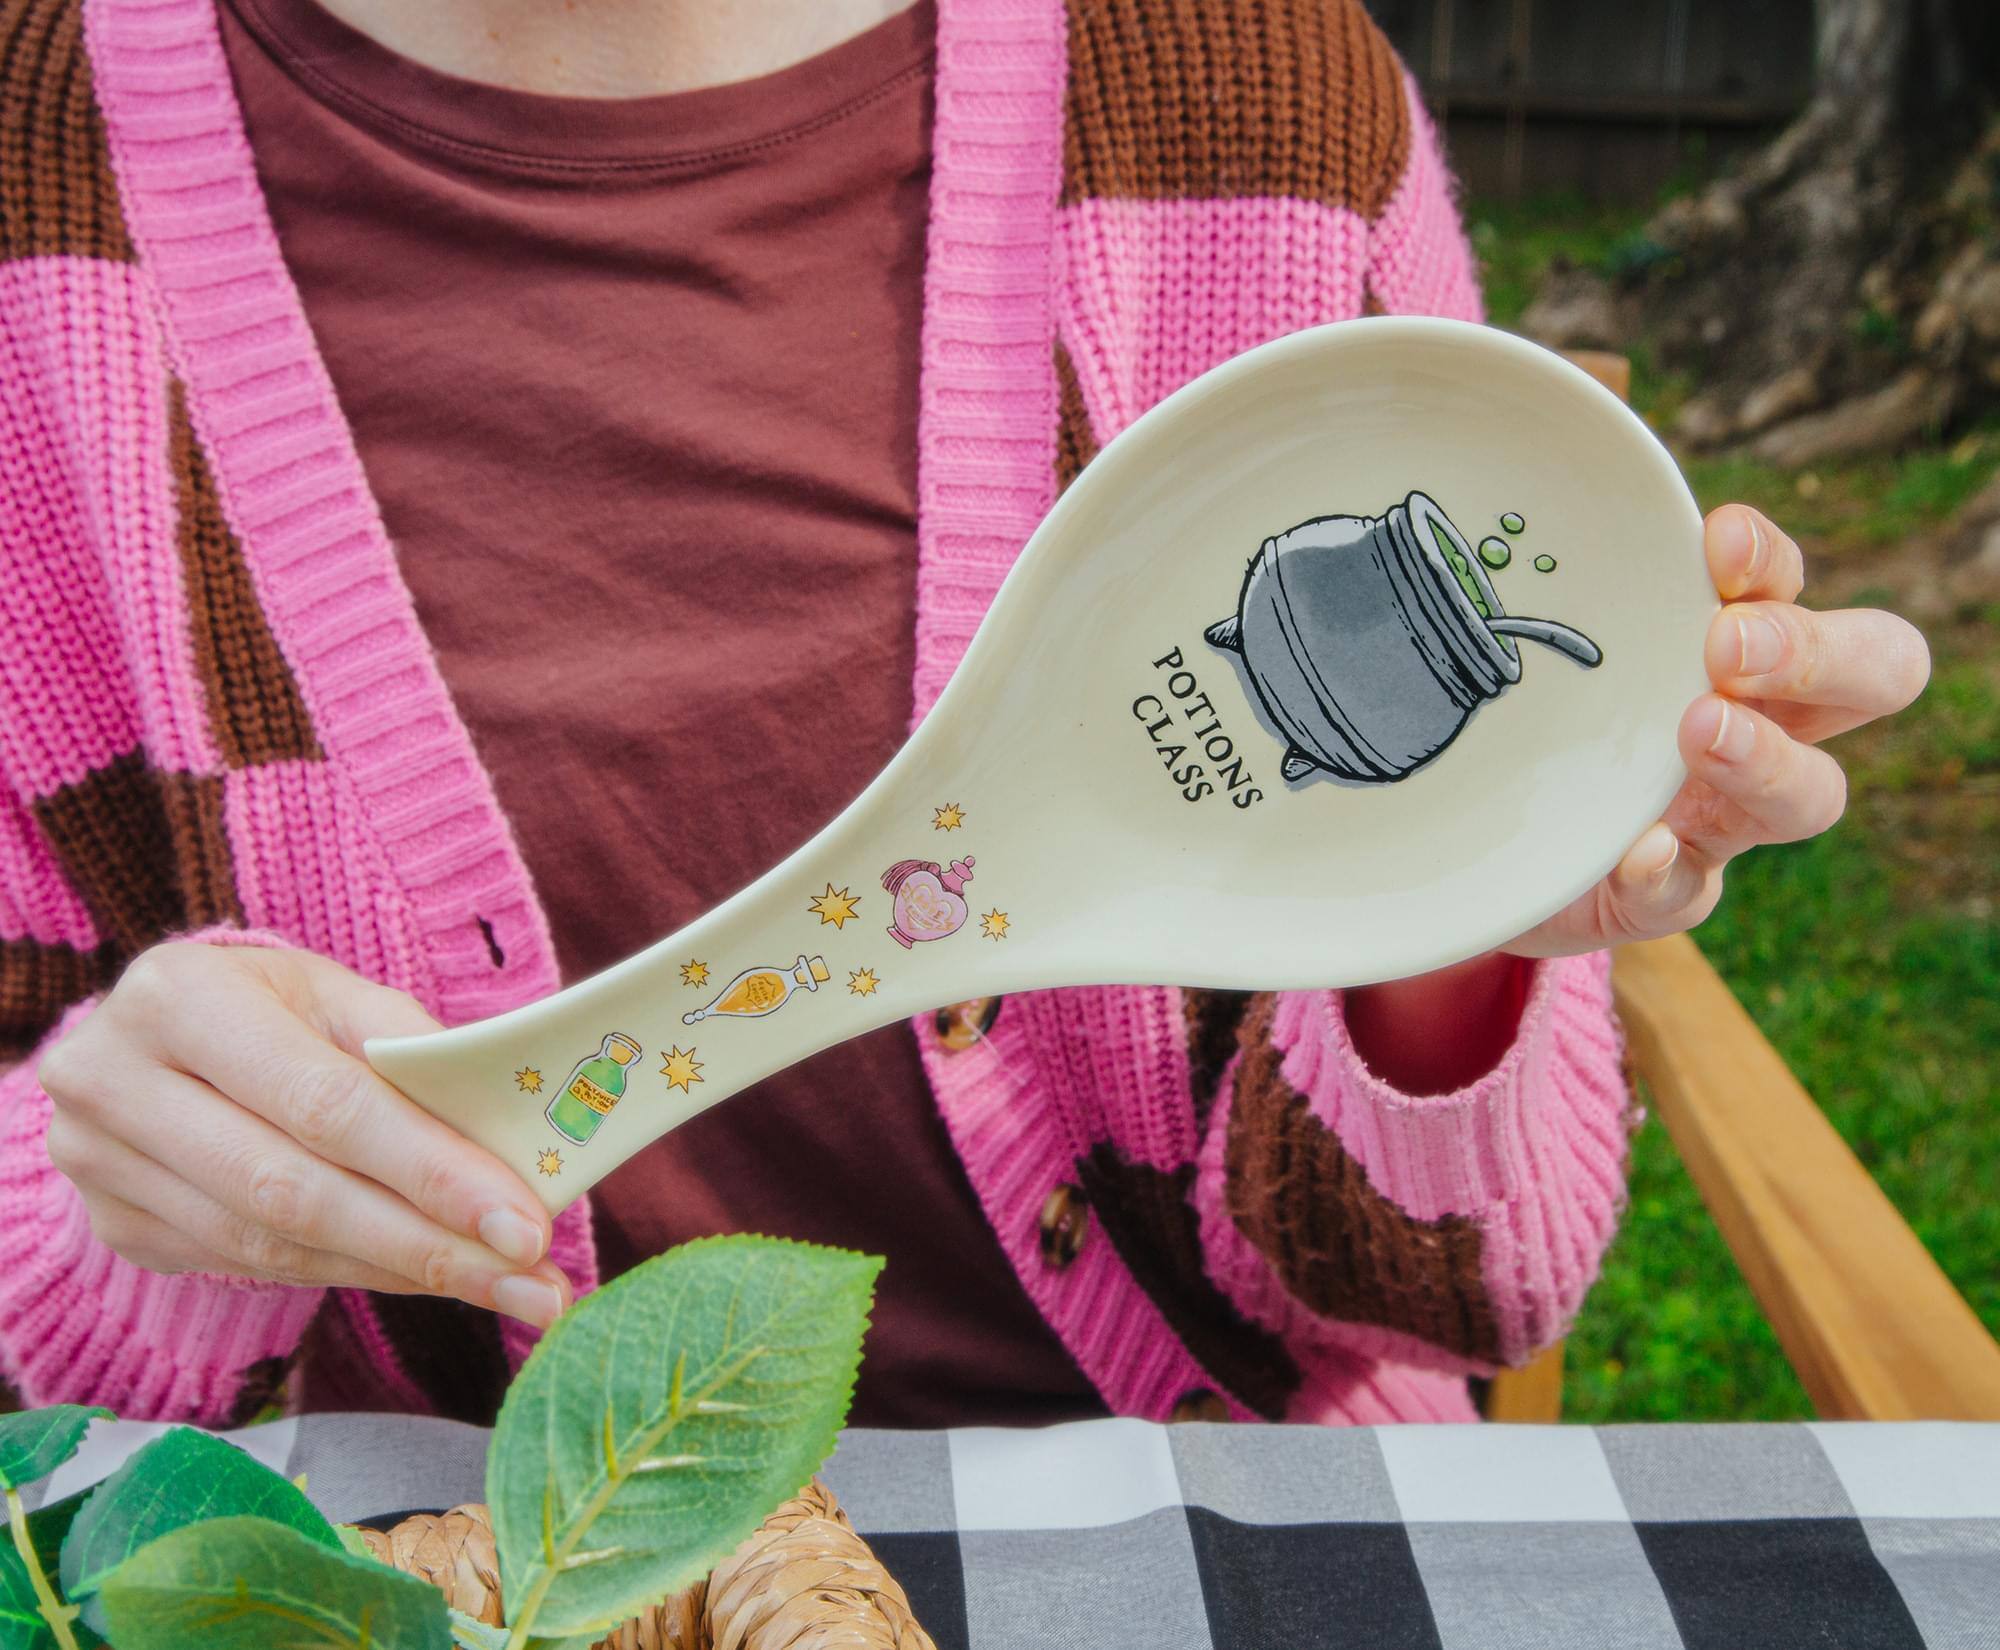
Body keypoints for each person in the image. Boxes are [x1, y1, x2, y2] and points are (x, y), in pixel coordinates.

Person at [0, 0, 1928, 1429]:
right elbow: (44, 1310)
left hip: (1212, 1511)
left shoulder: (1251, 98)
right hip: (457, 1568)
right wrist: (139, 1189)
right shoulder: (39, 174)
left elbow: (1448, 1294)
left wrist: (1458, 909)